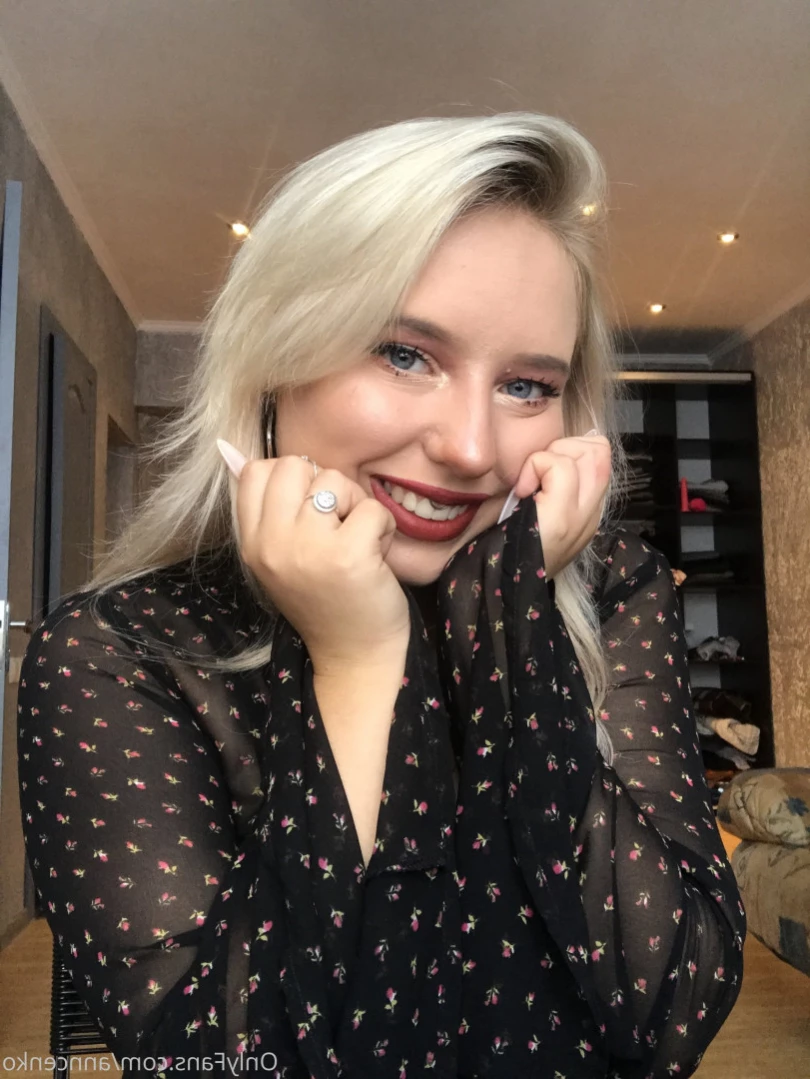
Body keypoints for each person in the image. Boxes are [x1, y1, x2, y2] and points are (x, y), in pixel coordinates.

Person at [17, 113, 744, 1078]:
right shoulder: (119, 653)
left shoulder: (610, 585)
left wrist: (515, 623)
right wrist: (362, 664)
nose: (473, 448)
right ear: (275, 358)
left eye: (527, 385)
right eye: (405, 354)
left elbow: (675, 1009)